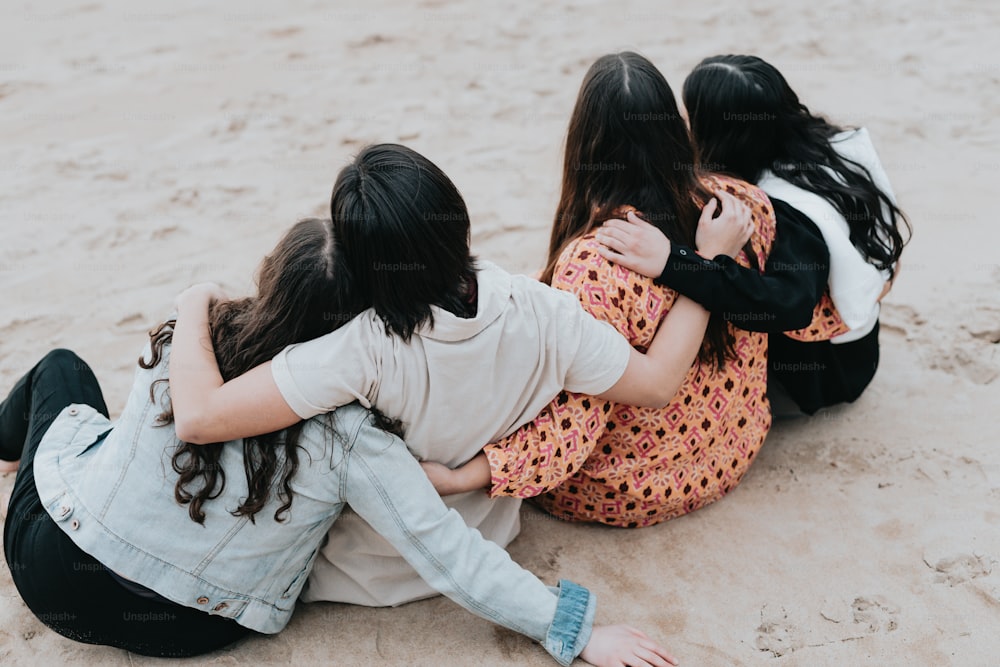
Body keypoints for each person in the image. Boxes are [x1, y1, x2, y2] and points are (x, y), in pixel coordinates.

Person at [0, 218, 676, 666]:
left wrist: (192, 301)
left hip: (55, 571)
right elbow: (449, 551)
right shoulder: (353, 435)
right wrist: (579, 632)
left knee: (62, 369)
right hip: (190, 628)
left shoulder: (188, 342)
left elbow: (178, 417)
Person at [165, 143, 746, 610]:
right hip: (490, 544)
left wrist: (194, 299)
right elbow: (656, 383)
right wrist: (710, 265)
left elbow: (198, 418)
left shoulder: (360, 350)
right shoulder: (546, 313)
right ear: (456, 218)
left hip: (357, 578)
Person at [421, 52, 775, 529]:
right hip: (734, 444)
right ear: (674, 128)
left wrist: (465, 476)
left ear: (583, 145)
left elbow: (573, 422)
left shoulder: (594, 269)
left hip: (633, 488)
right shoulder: (736, 208)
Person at [595, 54, 910, 414]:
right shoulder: (838, 144)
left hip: (824, 376)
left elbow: (790, 306)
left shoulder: (785, 210)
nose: (684, 122)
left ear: (721, 133)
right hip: (862, 343)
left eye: (691, 114)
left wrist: (675, 263)